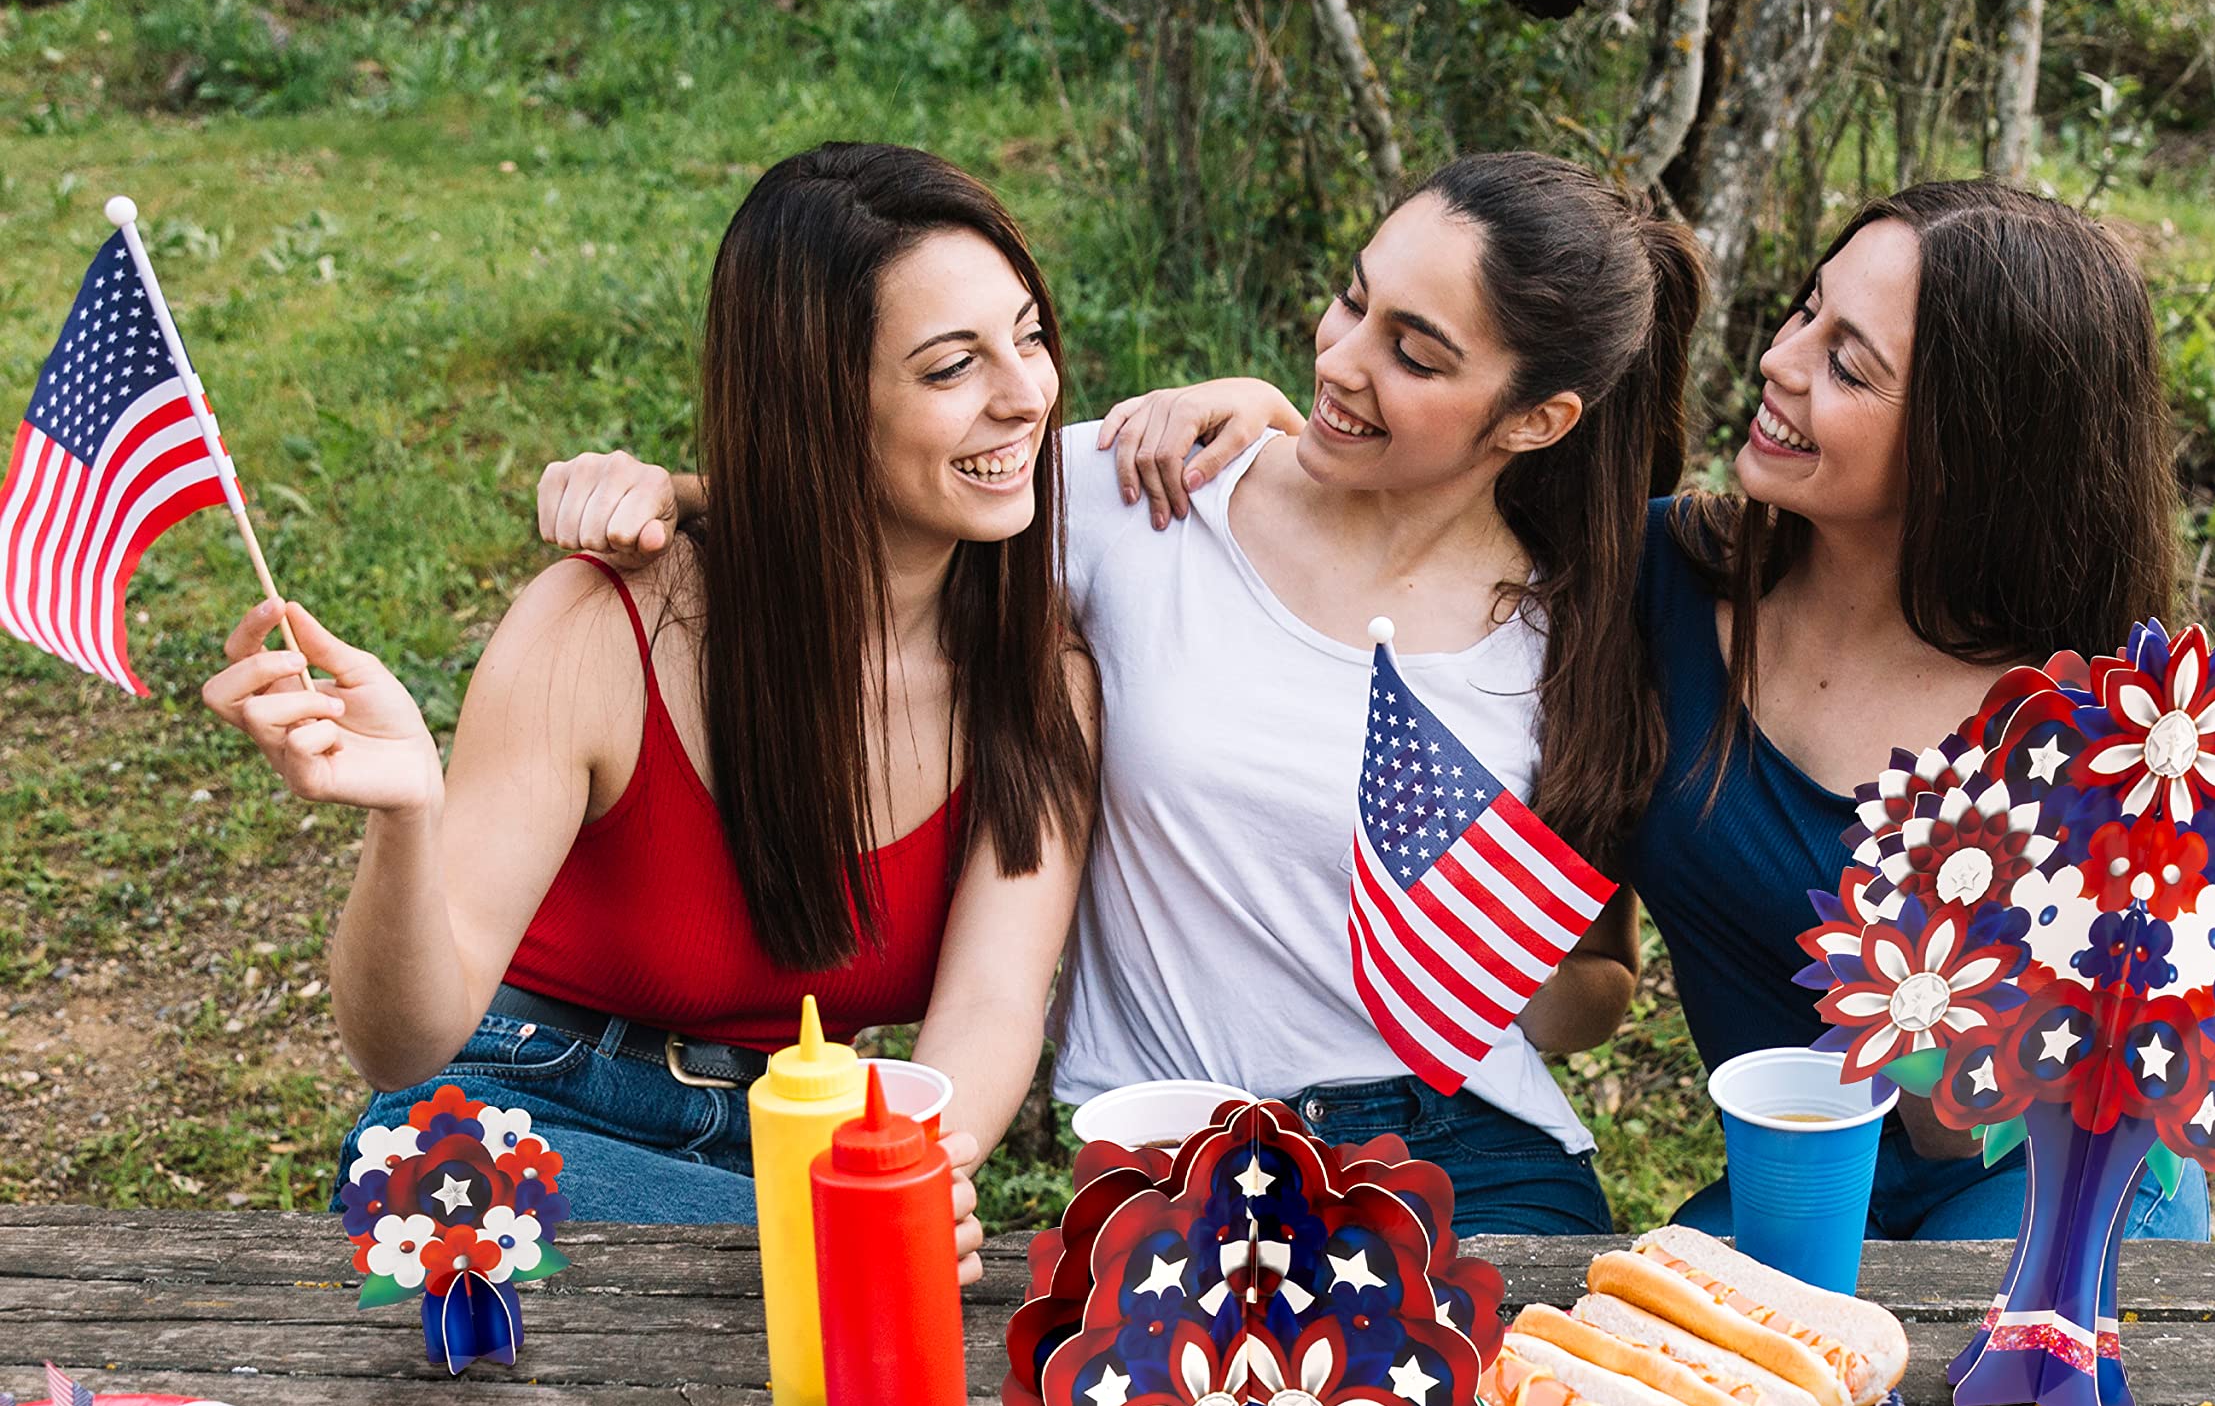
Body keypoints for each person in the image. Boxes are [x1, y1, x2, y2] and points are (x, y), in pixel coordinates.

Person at [540, 151, 1707, 1234]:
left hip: (1469, 1148)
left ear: (1539, 418)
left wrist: (1504, 955)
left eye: (1416, 352)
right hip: (1178, 1143)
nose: (1341, 357)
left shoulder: (1572, 634)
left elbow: (1591, 986)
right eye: (1354, 300)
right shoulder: (1152, 493)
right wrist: (665, 490)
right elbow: (875, 504)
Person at [203, 143, 1102, 1266]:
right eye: (949, 368)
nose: (1026, 395)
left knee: (842, 1285)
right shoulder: (605, 627)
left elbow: (993, 1006)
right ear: (819, 401)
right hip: (536, 1111)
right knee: (432, 1172)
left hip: (805, 1141)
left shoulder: (1038, 667)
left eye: (1027, 337)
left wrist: (908, 1185)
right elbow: (400, 1050)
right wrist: (405, 820)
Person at [1626, 179, 2209, 1240]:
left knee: (1960, 1395)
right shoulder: (1662, 576)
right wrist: (1268, 439)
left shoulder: (2088, 723)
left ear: (1974, 447)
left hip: (2043, 1183)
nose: (1779, 360)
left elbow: (1960, 1127)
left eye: (1848, 363)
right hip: (1793, 1162)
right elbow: (1431, 533)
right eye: (1807, 309)